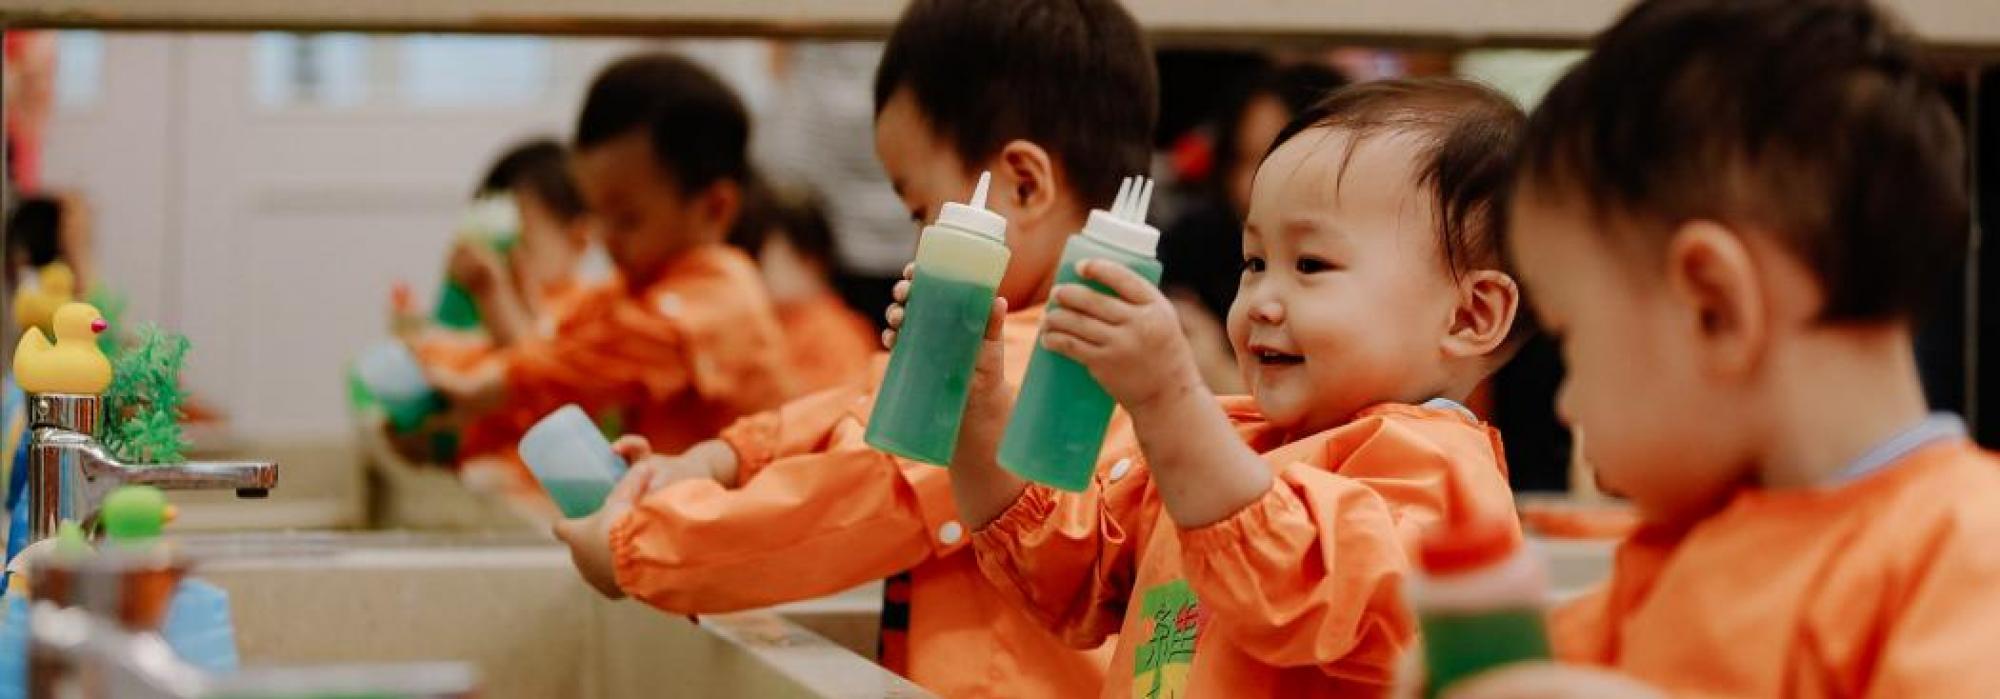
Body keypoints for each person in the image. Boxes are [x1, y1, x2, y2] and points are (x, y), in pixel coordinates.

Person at [552, 1, 1158, 695]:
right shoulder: (1045, 344)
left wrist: (635, 547)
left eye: (922, 211)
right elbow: (863, 403)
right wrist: (724, 456)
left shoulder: (1029, 368)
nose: (915, 240)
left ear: (1023, 185)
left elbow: (863, 491)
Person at [1449, 1, 2000, 697]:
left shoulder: (1967, 548)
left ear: (1713, 306)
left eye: (1571, 340)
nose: (1566, 403)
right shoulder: (1679, 545)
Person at [934, 79, 1527, 696]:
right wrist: (977, 405)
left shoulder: (1443, 482)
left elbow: (1299, 582)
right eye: (1254, 263)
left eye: (1311, 265)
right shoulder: (1228, 439)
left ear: (1470, 316)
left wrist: (1168, 400)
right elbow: (1059, 566)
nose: (1263, 302)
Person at [429, 54, 792, 496]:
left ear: (714, 208)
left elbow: (596, 360)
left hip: (735, 536)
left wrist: (484, 387)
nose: (604, 239)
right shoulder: (625, 288)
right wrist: (455, 406)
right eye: (596, 214)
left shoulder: (723, 293)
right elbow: (552, 353)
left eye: (626, 219)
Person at [728, 179, 878, 394]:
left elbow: (831, 413)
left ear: (808, 257)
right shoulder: (763, 321)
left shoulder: (837, 333)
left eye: (759, 252)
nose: (752, 266)